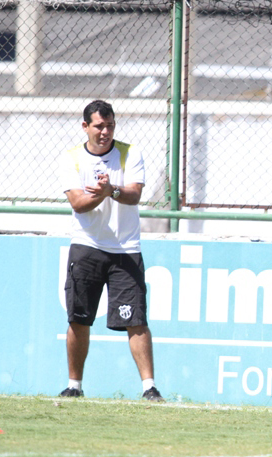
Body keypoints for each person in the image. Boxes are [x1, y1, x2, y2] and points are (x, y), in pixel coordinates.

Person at [58, 100, 163, 402]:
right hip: (86, 246)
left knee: (136, 320)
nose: (105, 132)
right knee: (79, 318)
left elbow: (134, 195)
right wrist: (103, 194)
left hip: (125, 250)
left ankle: (149, 388)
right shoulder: (71, 158)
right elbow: (78, 203)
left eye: (110, 126)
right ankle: (74, 386)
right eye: (99, 126)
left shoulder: (130, 153)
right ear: (85, 127)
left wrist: (111, 190)